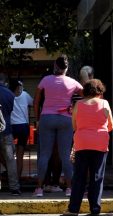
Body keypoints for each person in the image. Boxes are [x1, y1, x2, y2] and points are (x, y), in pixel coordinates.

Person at [33, 55, 83, 197]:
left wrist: (37, 119)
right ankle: (69, 188)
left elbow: (36, 102)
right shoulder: (73, 82)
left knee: (44, 155)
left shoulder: (45, 80)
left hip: (47, 118)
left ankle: (39, 189)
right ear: (67, 68)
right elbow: (86, 95)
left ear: (55, 66)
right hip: (65, 119)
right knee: (65, 155)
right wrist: (74, 108)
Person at [63, 79, 113, 216]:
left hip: (82, 142)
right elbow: (111, 125)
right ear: (100, 91)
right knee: (96, 176)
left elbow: (74, 125)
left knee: (79, 176)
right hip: (100, 143)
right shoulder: (104, 103)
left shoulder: (78, 104)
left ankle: (74, 208)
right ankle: (95, 208)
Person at [0, 73, 21, 195]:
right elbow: (10, 111)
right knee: (10, 160)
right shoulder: (10, 94)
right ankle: (14, 187)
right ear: (5, 82)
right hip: (6, 130)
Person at [9, 79, 33, 178]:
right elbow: (32, 103)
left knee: (9, 154)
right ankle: (18, 177)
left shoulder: (8, 95)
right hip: (23, 126)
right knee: (20, 154)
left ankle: (11, 173)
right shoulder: (25, 95)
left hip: (12, 126)